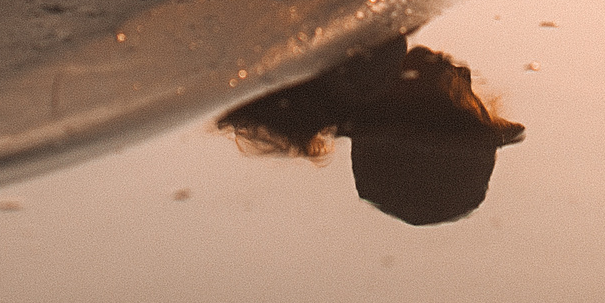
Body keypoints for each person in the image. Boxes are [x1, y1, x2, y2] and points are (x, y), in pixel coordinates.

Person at [218, 36, 526, 227]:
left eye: (465, 107)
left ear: (431, 113)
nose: (465, 75)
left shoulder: (374, 51)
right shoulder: (297, 91)